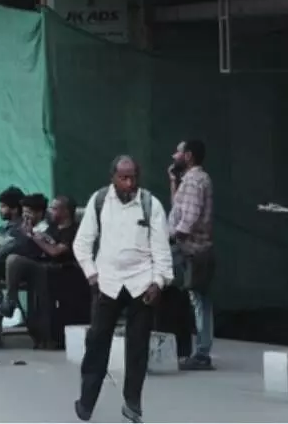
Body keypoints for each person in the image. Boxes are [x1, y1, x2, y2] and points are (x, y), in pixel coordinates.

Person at [74, 156, 172, 424]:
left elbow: (162, 249)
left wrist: (159, 281)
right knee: (97, 343)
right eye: (123, 178)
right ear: (113, 177)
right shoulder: (100, 201)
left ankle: (132, 404)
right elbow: (82, 243)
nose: (129, 183)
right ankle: (86, 401)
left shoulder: (150, 204)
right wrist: (91, 275)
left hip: (142, 283)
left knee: (138, 348)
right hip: (107, 282)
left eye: (133, 178)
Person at [1, 195, 80, 349]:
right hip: (43, 266)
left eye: (54, 208)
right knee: (12, 259)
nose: (50, 211)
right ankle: (10, 300)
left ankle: (10, 300)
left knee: (14, 260)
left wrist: (33, 236)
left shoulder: (72, 231)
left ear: (65, 212)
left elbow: (55, 251)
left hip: (62, 270)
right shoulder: (52, 227)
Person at [168, 138, 215, 371]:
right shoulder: (188, 180)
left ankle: (202, 352)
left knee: (198, 299)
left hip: (192, 249)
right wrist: (173, 181)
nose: (174, 156)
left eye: (178, 152)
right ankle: (195, 349)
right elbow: (178, 207)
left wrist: (176, 236)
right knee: (194, 298)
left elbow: (190, 215)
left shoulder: (196, 181)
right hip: (188, 248)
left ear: (188, 156)